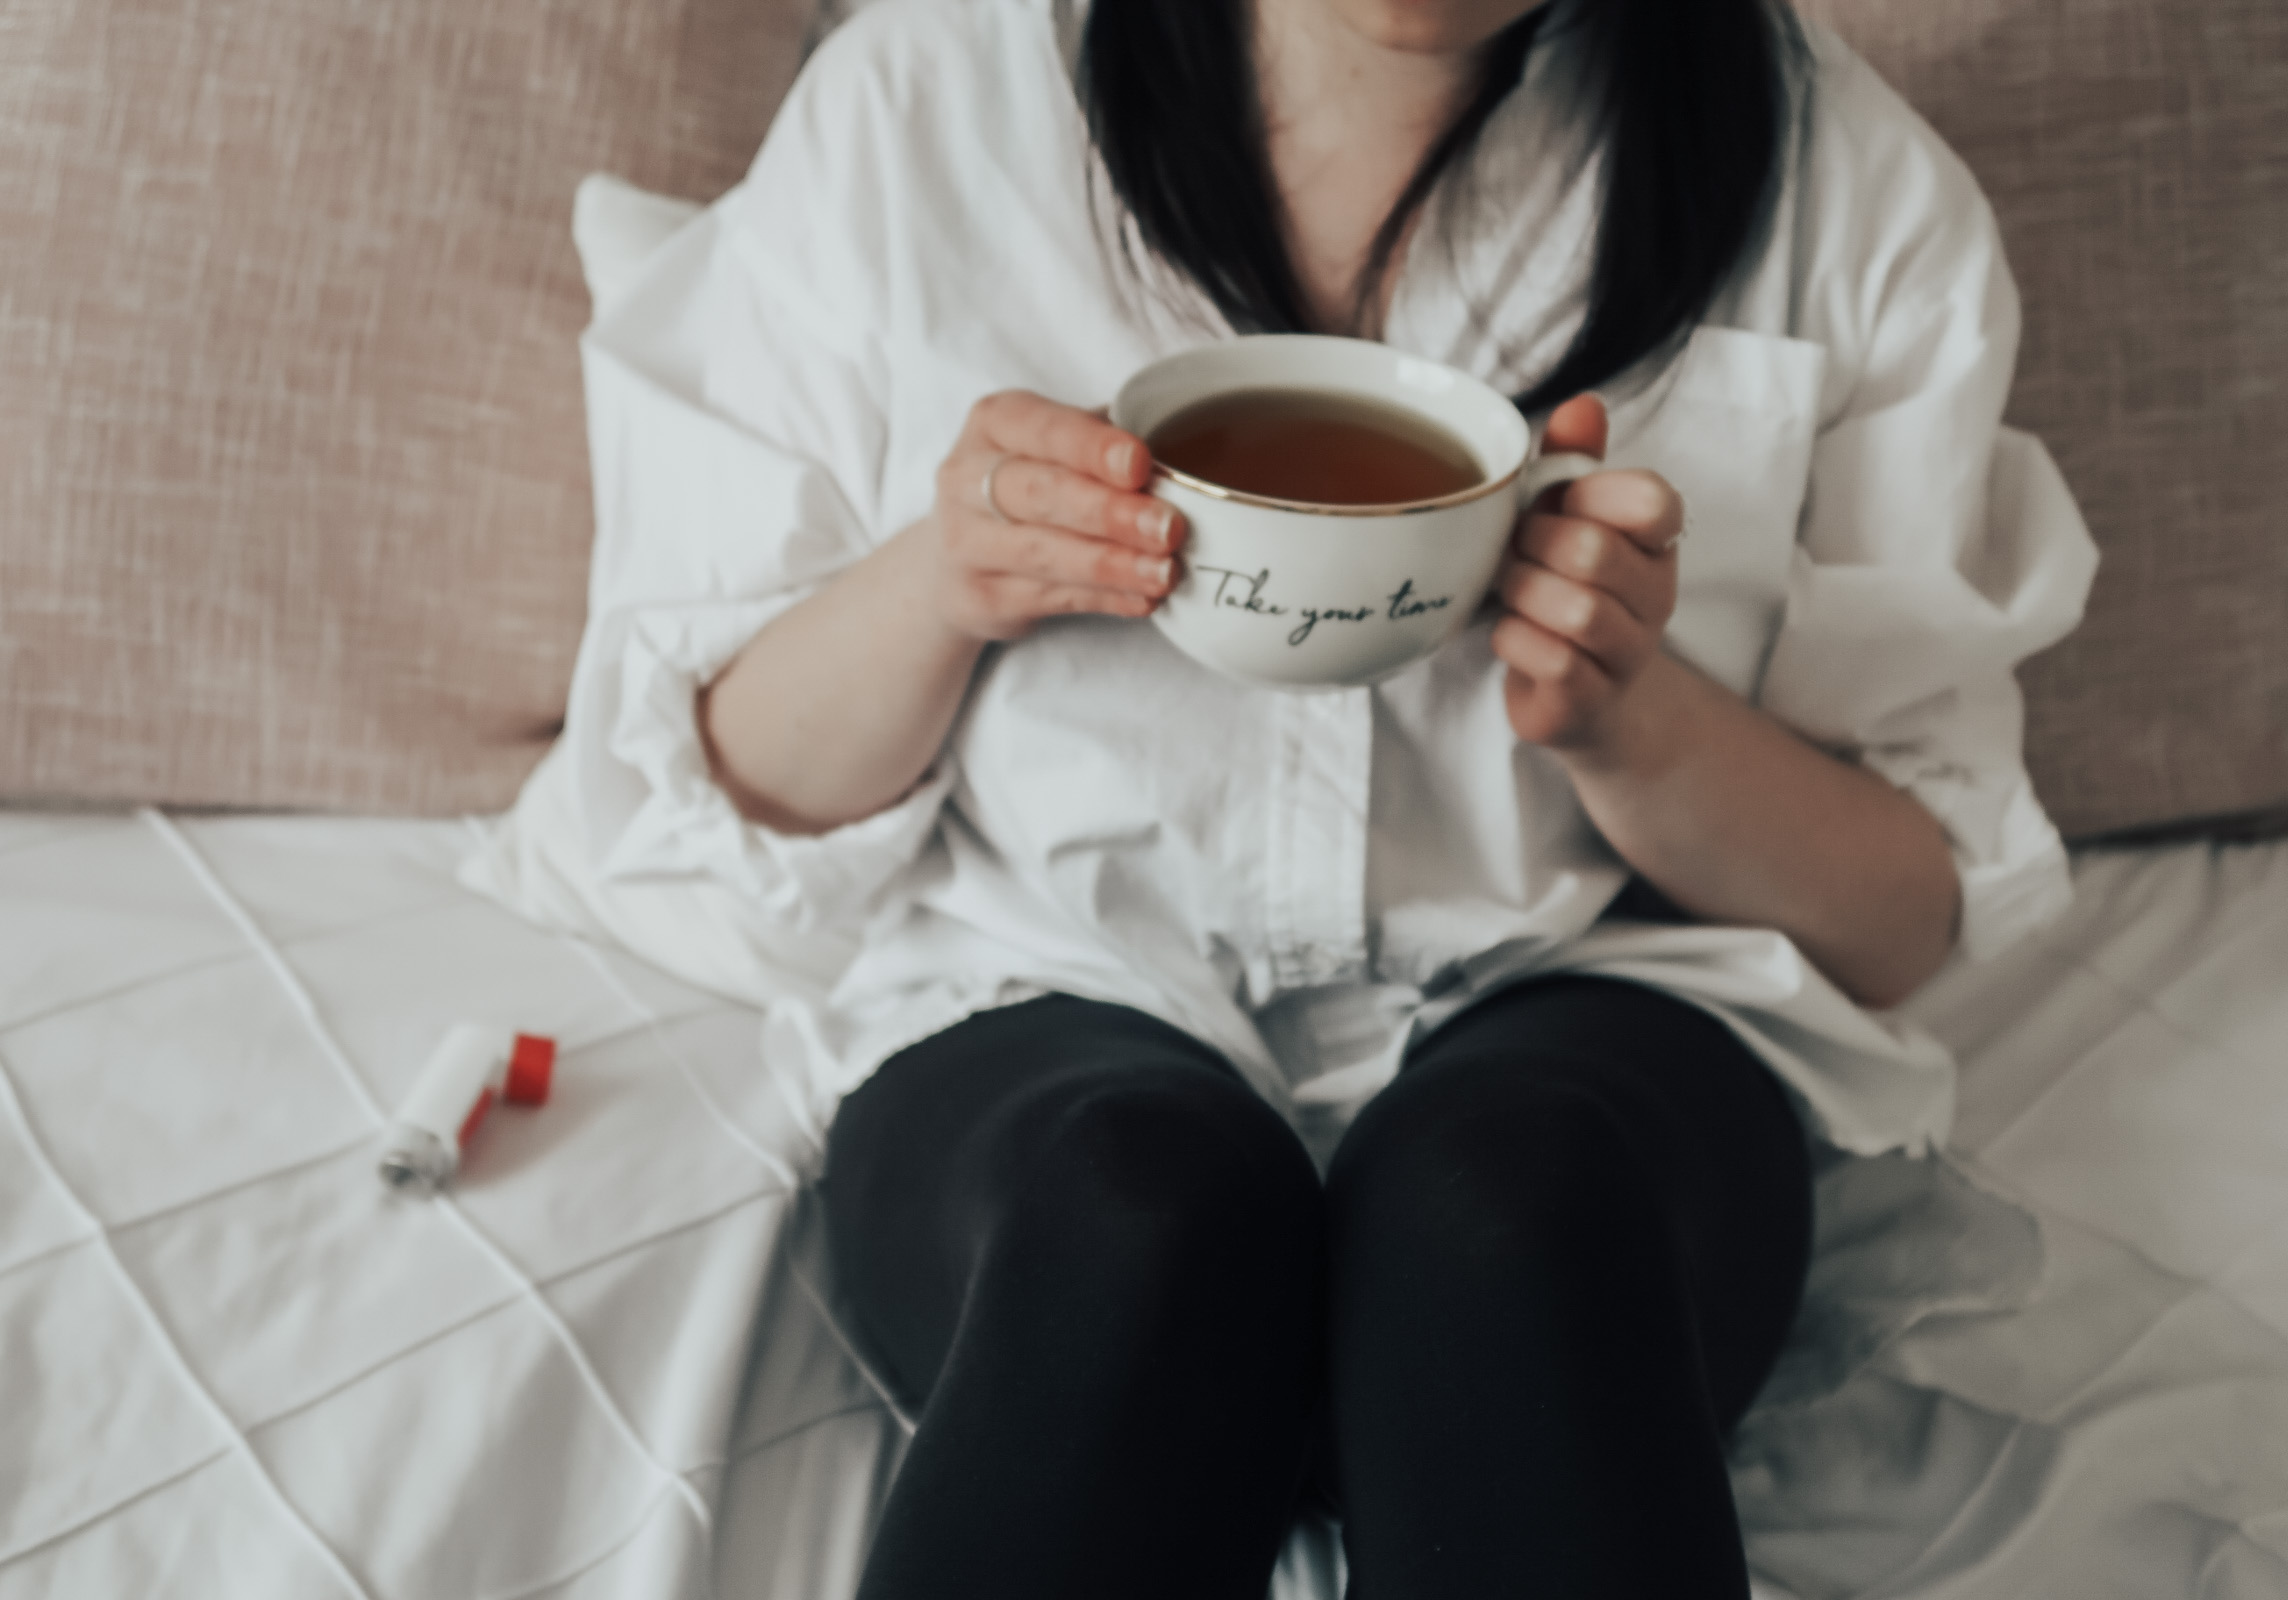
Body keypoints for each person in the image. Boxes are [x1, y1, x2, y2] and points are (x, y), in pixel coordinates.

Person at [530, 0, 2099, 1592]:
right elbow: (719, 796)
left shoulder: (1849, 186)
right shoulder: (930, 104)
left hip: (1602, 1022)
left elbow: (1900, 918)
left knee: (1509, 1206)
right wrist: (945, 579)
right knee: (1138, 1207)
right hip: (1045, 998)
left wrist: (1636, 720)